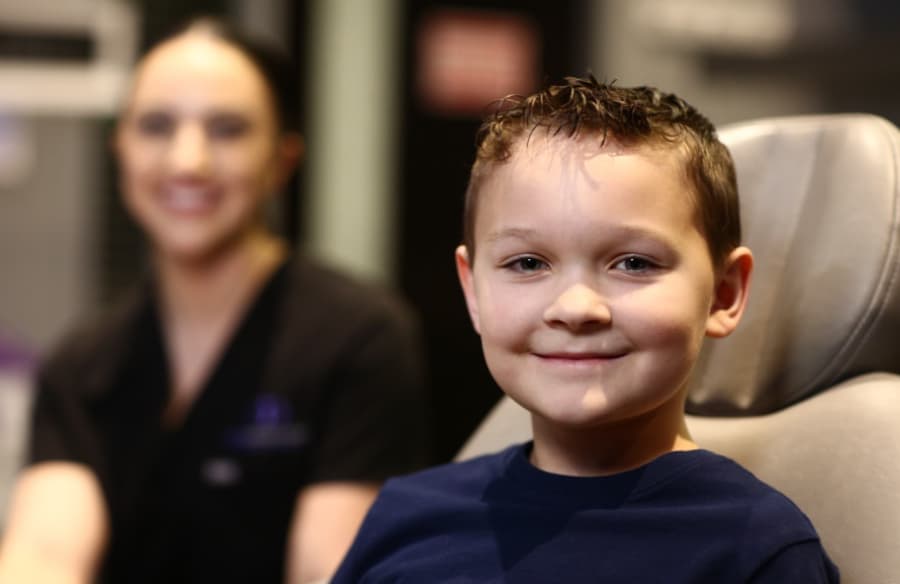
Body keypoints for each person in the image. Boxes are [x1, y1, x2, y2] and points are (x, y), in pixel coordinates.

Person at [331, 76, 840, 582]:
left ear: (724, 294)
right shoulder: (407, 518)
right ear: (473, 292)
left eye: (635, 263)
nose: (575, 308)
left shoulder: (758, 550)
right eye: (528, 263)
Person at [0, 17, 427, 584]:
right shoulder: (82, 365)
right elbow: (45, 556)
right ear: (120, 150)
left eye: (227, 129)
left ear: (283, 159)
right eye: (156, 126)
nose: (188, 161)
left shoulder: (359, 338)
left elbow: (328, 571)